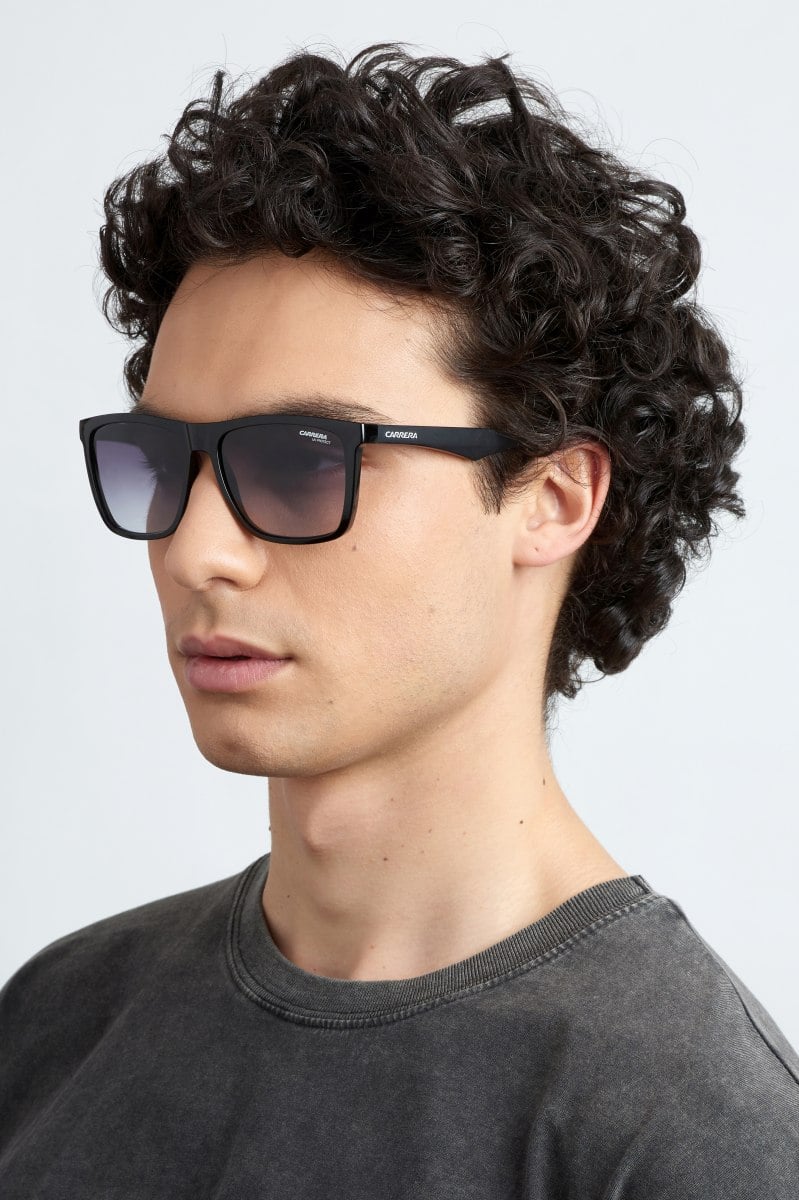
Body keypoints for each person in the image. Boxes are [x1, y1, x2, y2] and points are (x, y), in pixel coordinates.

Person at [1, 41, 796, 1198]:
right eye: (167, 460)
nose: (195, 549)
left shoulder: (684, 1136)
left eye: (300, 458)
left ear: (553, 498)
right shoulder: (57, 1020)